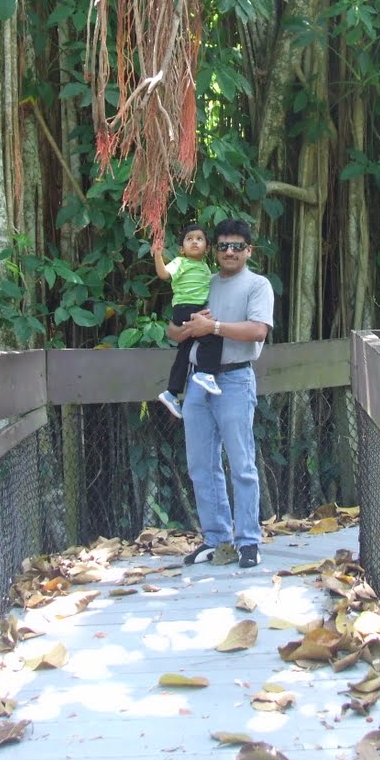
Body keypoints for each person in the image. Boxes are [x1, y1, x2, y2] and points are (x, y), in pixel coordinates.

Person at [168, 218, 274, 570]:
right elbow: (174, 330)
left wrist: (212, 327)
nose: (230, 252)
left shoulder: (257, 286)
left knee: (242, 464)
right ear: (214, 250)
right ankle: (215, 539)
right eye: (224, 246)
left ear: (248, 251)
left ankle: (248, 541)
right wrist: (185, 329)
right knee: (201, 465)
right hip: (198, 381)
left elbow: (258, 330)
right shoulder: (202, 280)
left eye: (237, 246)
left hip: (234, 380)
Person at [152, 223, 224, 419]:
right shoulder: (180, 262)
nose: (194, 241)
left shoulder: (205, 268)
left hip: (193, 309)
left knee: (184, 352)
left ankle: (172, 392)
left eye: (199, 239)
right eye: (189, 238)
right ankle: (205, 373)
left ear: (207, 248)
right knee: (214, 335)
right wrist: (158, 255)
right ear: (182, 248)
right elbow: (164, 274)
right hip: (187, 308)